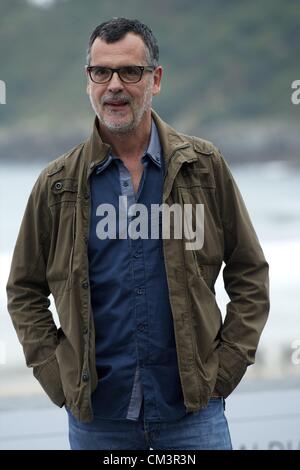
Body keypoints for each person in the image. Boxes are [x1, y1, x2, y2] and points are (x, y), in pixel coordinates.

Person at [6, 17, 269, 450]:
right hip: (98, 420)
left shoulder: (204, 167)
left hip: (192, 415)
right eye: (101, 72)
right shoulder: (57, 184)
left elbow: (250, 273)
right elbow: (23, 290)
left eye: (130, 71)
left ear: (155, 79)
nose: (114, 85)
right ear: (88, 81)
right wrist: (58, 378)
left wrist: (226, 368)